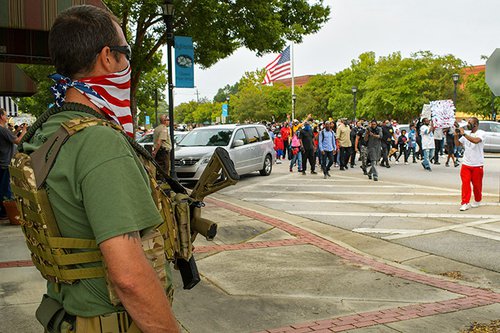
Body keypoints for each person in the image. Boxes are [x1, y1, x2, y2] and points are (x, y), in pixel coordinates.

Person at [21, 6, 179, 332]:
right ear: (108, 57)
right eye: (126, 53)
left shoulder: (49, 130)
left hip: (67, 314)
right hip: (108, 322)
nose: (127, 63)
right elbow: (129, 277)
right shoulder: (99, 143)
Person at [454, 117, 486, 211]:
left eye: (470, 122)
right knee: (465, 183)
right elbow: (457, 144)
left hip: (477, 164)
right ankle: (465, 202)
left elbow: (475, 141)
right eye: (468, 122)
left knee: (477, 185)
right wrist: (456, 135)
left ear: (475, 124)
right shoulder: (466, 134)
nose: (468, 124)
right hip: (466, 164)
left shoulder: (481, 133)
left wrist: (464, 134)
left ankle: (477, 200)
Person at [0, 108, 27, 218]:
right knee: (6, 191)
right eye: (6, 115)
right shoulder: (3, 129)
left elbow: (10, 137)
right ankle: (5, 212)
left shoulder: (3, 130)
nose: (7, 117)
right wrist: (24, 131)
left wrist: (17, 131)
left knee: (2, 188)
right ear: (1, 116)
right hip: (6, 163)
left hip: (2, 162)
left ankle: (3, 211)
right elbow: (18, 141)